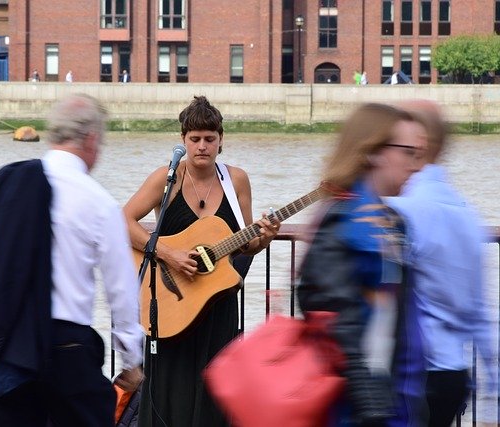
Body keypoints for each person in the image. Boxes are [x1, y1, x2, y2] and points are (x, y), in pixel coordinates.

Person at [0, 94, 144, 427]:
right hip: (66, 349)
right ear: (91, 139)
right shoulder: (98, 201)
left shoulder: (8, 182)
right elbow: (120, 291)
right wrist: (131, 361)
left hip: (8, 346)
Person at [123, 95, 279, 426]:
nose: (202, 146)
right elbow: (122, 221)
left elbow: (244, 244)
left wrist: (263, 239)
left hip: (217, 304)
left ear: (221, 140)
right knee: (168, 392)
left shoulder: (236, 180)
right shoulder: (168, 179)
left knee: (215, 392)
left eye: (210, 139)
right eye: (194, 139)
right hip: (171, 304)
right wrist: (168, 253)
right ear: (183, 140)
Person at [296, 103, 427, 426]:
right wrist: (370, 402)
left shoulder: (390, 221)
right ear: (374, 152)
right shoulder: (346, 220)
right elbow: (331, 311)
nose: (416, 166)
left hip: (396, 397)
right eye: (408, 152)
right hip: (360, 407)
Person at [387, 100, 497, 427]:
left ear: (417, 145)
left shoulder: (401, 210)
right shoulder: (466, 213)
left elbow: (381, 296)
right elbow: (478, 310)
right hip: (453, 374)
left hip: (411, 375)